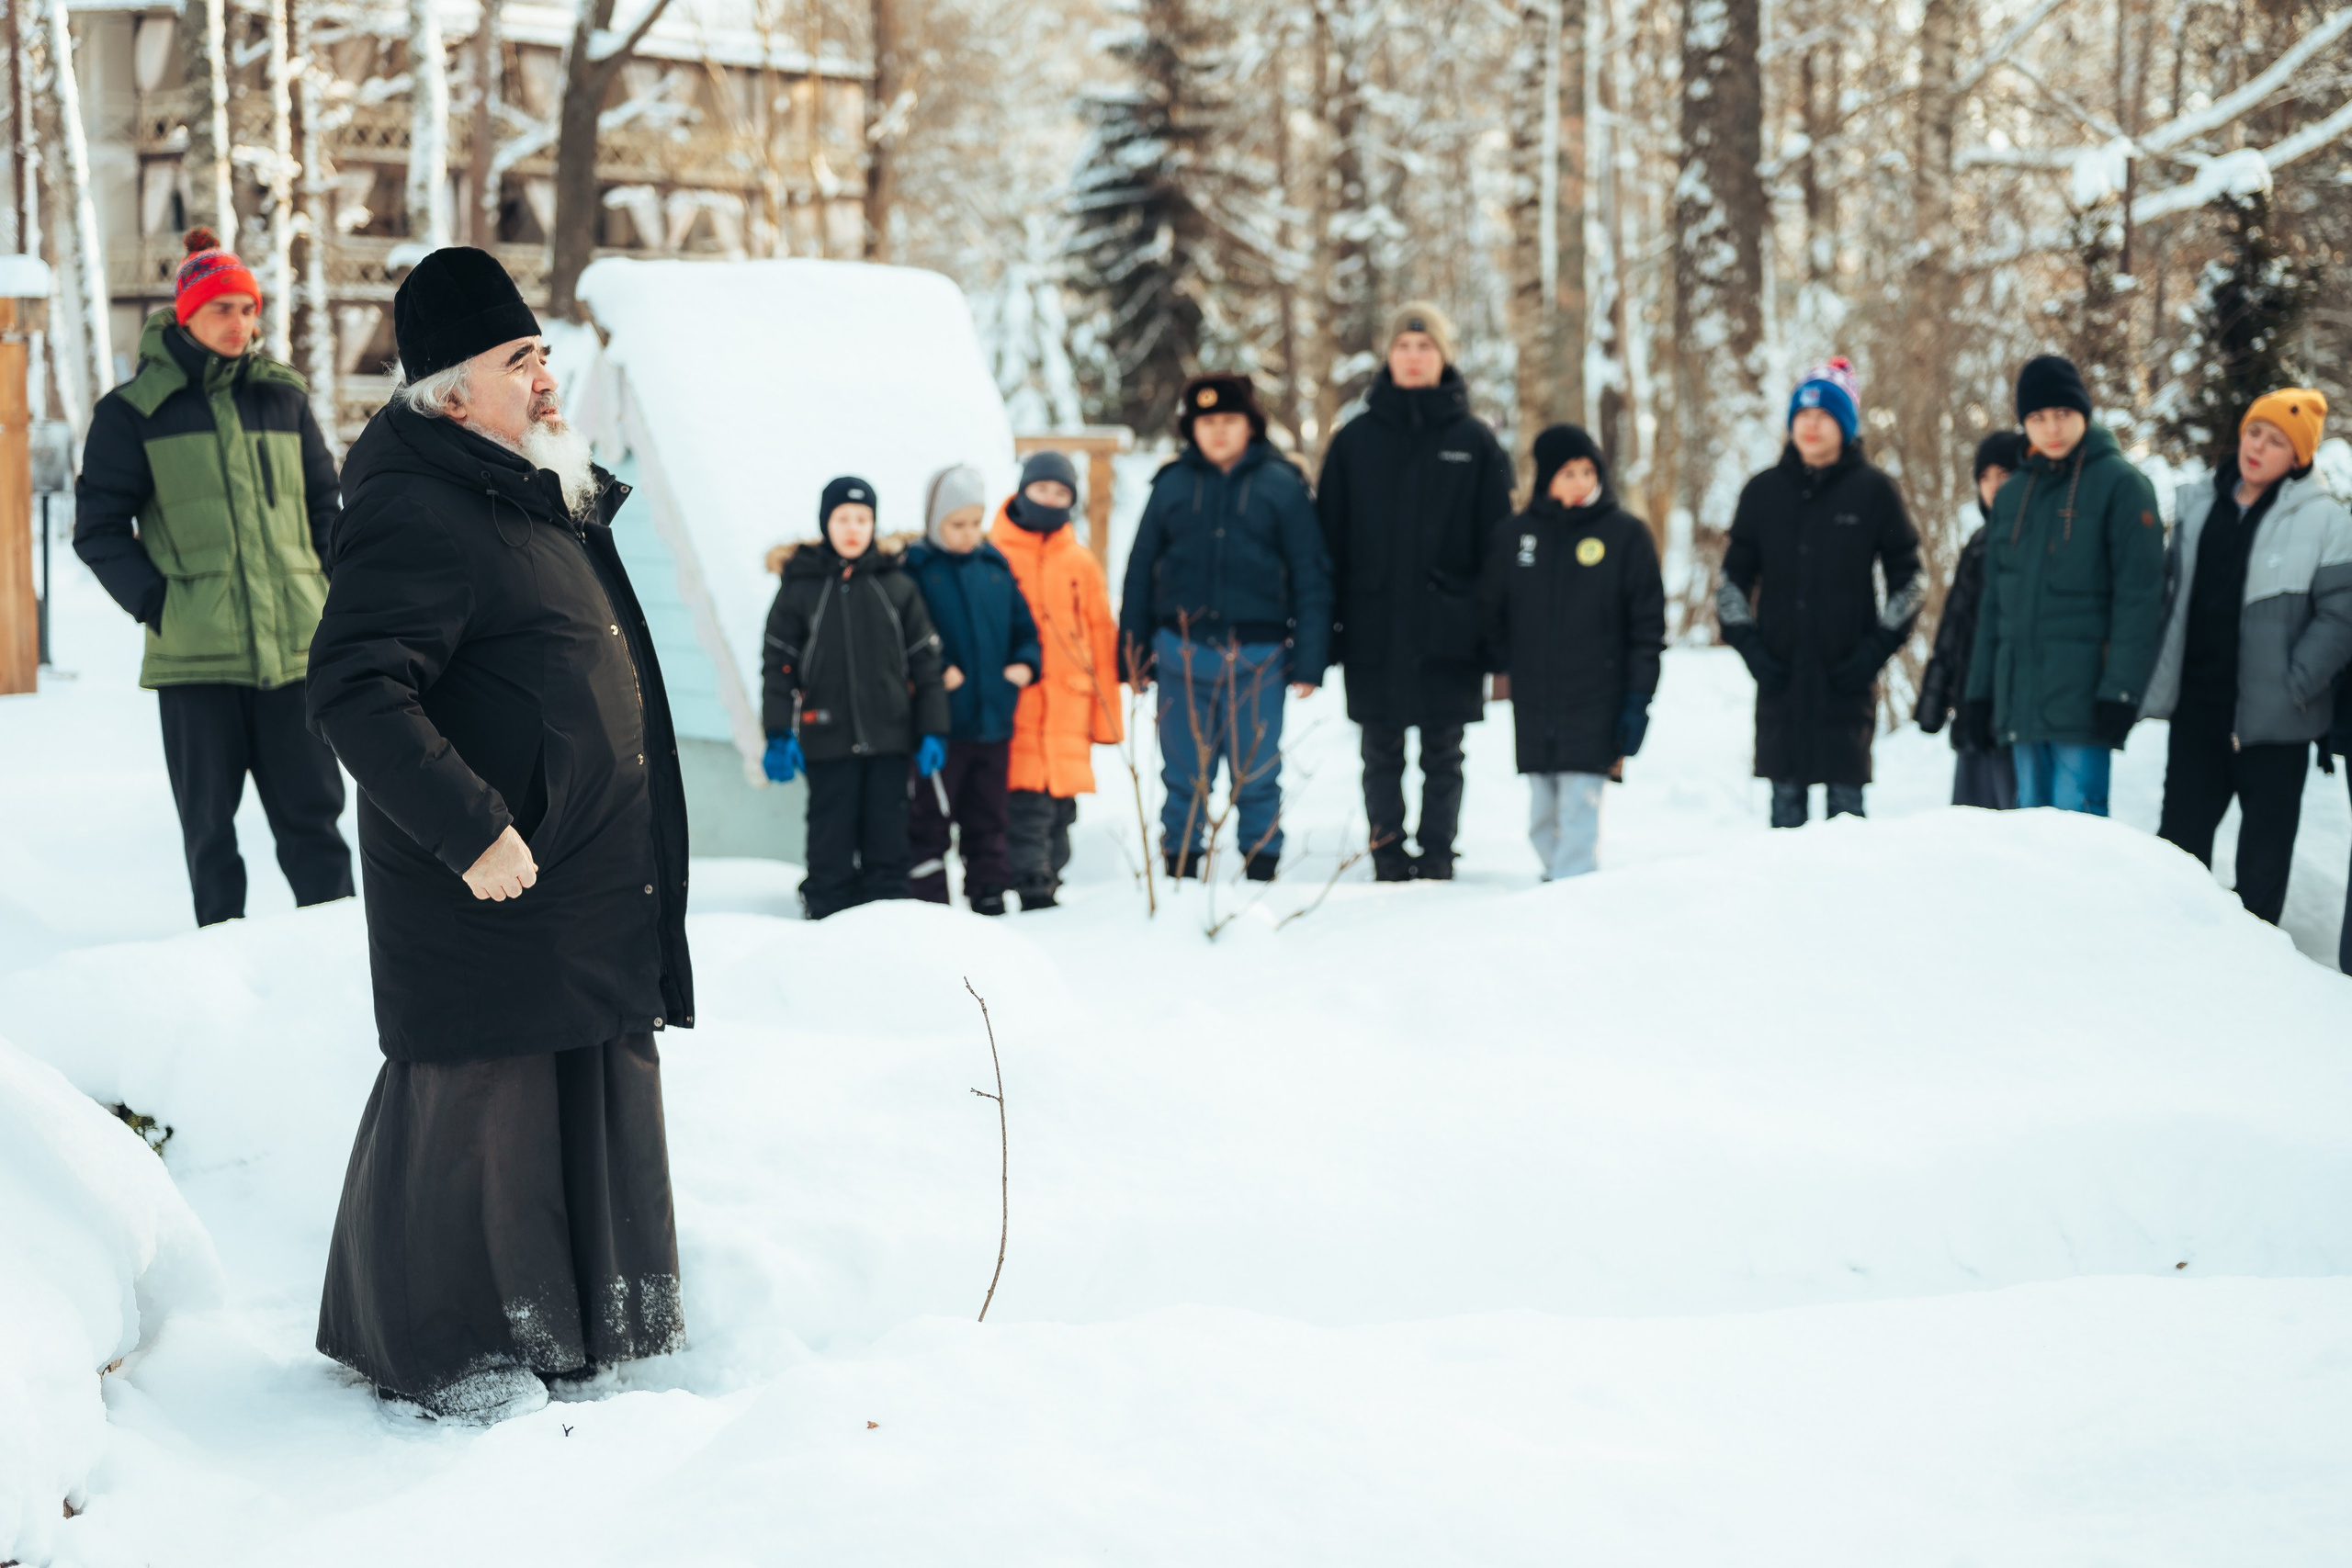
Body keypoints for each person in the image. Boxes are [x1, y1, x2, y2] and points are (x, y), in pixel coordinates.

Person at [304, 247, 693, 1420]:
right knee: (491, 1116)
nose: (546, 376)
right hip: (497, 888)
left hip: (578, 883)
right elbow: (357, 690)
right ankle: (463, 1357)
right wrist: (473, 831)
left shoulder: (529, 486)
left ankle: (572, 1334)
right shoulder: (418, 507)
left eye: (544, 354)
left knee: (580, 1096)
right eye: (519, 359)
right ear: (450, 392)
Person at [74, 226, 352, 927]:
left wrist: (327, 595)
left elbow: (326, 509)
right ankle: (221, 998)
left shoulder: (283, 399)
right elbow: (98, 530)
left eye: (249, 308)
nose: (241, 324)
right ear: (187, 313)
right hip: (197, 664)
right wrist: (161, 604)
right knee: (211, 840)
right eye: (224, 308)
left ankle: (339, 973)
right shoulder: (132, 412)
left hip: (294, 653)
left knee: (317, 830)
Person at [1316, 302, 1514, 879]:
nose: (1413, 357)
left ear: (1443, 357)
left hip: (1450, 624)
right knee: (1379, 748)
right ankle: (1385, 851)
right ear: (1388, 355)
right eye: (1403, 346)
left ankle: (1436, 853)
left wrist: (1488, 624)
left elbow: (1496, 545)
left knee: (1443, 750)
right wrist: (1329, 628)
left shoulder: (1474, 442)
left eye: (1425, 347)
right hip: (1372, 622)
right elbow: (1327, 537)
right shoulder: (1355, 440)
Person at [2140, 390, 2352, 924]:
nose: (2258, 446)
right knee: (2174, 862)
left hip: (2276, 727)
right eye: (2255, 431)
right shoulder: (2199, 505)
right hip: (2198, 714)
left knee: (2261, 878)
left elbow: (2341, 616)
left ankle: (2249, 995)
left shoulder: (2327, 521)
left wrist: (2294, 685)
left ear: (2298, 457)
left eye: (2277, 440)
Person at [1120, 374, 1332, 882]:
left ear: (1250, 425)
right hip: (1179, 656)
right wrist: (1132, 654)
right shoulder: (1170, 484)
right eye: (1206, 422)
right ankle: (1181, 868)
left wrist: (1310, 658)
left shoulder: (1282, 486)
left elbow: (1311, 574)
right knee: (1183, 773)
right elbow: (1140, 570)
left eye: (1229, 421)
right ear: (1191, 429)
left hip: (1258, 659)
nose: (1218, 432)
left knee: (1257, 773)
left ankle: (1261, 868)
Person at [1716, 357, 1923, 827]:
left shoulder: (1875, 491)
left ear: (1845, 424)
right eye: (1803, 415)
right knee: (1785, 819)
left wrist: (1874, 652)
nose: (1812, 425)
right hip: (1781, 683)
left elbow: (1910, 580)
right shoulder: (1762, 492)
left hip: (1845, 684)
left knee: (1846, 824)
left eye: (1825, 415)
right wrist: (1752, 650)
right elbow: (1730, 582)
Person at [1962, 355, 2165, 816]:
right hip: (2021, 700)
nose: (2051, 428)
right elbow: (1995, 604)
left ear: (2083, 413)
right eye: (2037, 418)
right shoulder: (2013, 496)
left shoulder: (2122, 485)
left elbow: (2139, 599)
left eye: (2062, 415)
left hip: (2085, 702)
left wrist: (2122, 691)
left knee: (2079, 836)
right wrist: (1979, 693)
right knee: (2030, 833)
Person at [1479, 424, 1665, 880]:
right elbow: (1489, 608)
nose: (1581, 482)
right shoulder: (1515, 536)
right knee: (1541, 818)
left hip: (1598, 697)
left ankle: (1571, 897)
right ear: (1546, 478)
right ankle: (1557, 881)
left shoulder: (1626, 536)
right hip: (1536, 700)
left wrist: (1638, 699)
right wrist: (1504, 658)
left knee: (1581, 807)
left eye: (1588, 471)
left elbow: (1647, 626)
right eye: (1568, 473)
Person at [761, 477, 950, 919]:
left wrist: (932, 731)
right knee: (831, 834)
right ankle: (826, 911)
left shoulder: (897, 586)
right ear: (825, 522)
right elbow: (778, 666)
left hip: (889, 738)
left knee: (888, 833)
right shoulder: (800, 586)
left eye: (862, 519)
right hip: (826, 738)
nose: (853, 528)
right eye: (843, 518)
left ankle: (885, 915)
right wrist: (777, 732)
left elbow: (926, 664)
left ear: (874, 524)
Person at [901, 465, 1040, 914]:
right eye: (956, 524)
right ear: (934, 522)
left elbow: (1024, 628)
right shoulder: (918, 569)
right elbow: (906, 632)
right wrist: (936, 668)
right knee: (930, 815)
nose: (968, 534)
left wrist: (1024, 664)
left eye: (975, 523)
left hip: (994, 718)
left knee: (988, 814)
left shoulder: (995, 566)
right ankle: (929, 900)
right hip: (943, 724)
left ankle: (989, 892)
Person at [995, 450, 1124, 911]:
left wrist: (1107, 718)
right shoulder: (995, 552)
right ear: (1022, 490)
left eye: (1061, 492)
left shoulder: (1081, 562)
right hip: (1018, 705)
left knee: (1060, 812)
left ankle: (1049, 877)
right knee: (1023, 805)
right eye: (1042, 489)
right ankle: (1032, 888)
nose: (1050, 499)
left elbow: (1101, 638)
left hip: (1070, 707)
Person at [1915, 432, 2027, 809]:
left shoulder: (2028, 542)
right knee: (1970, 826)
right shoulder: (1978, 542)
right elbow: (1954, 627)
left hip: (2011, 716)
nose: (1993, 486)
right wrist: (1935, 695)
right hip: (1970, 710)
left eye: (2004, 475)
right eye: (1985, 477)